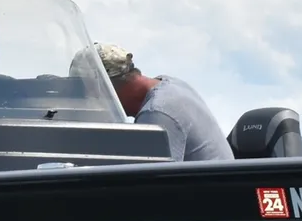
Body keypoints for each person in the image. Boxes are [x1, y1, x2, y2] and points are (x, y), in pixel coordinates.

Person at [97, 43, 232, 162]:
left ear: (109, 87)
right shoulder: (169, 85)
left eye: (94, 93)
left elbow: (149, 185)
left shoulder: (156, 114)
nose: (95, 101)